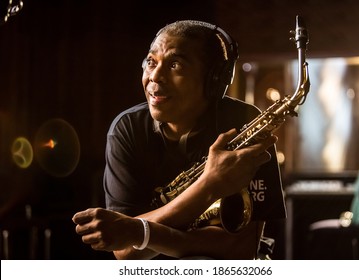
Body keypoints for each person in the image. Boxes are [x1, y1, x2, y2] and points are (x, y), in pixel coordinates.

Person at [72, 20, 286, 260]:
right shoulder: (127, 128)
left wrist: (140, 233)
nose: (155, 76)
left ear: (214, 79)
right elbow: (125, 252)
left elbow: (241, 249)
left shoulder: (245, 122)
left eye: (175, 64)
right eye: (151, 62)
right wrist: (209, 186)